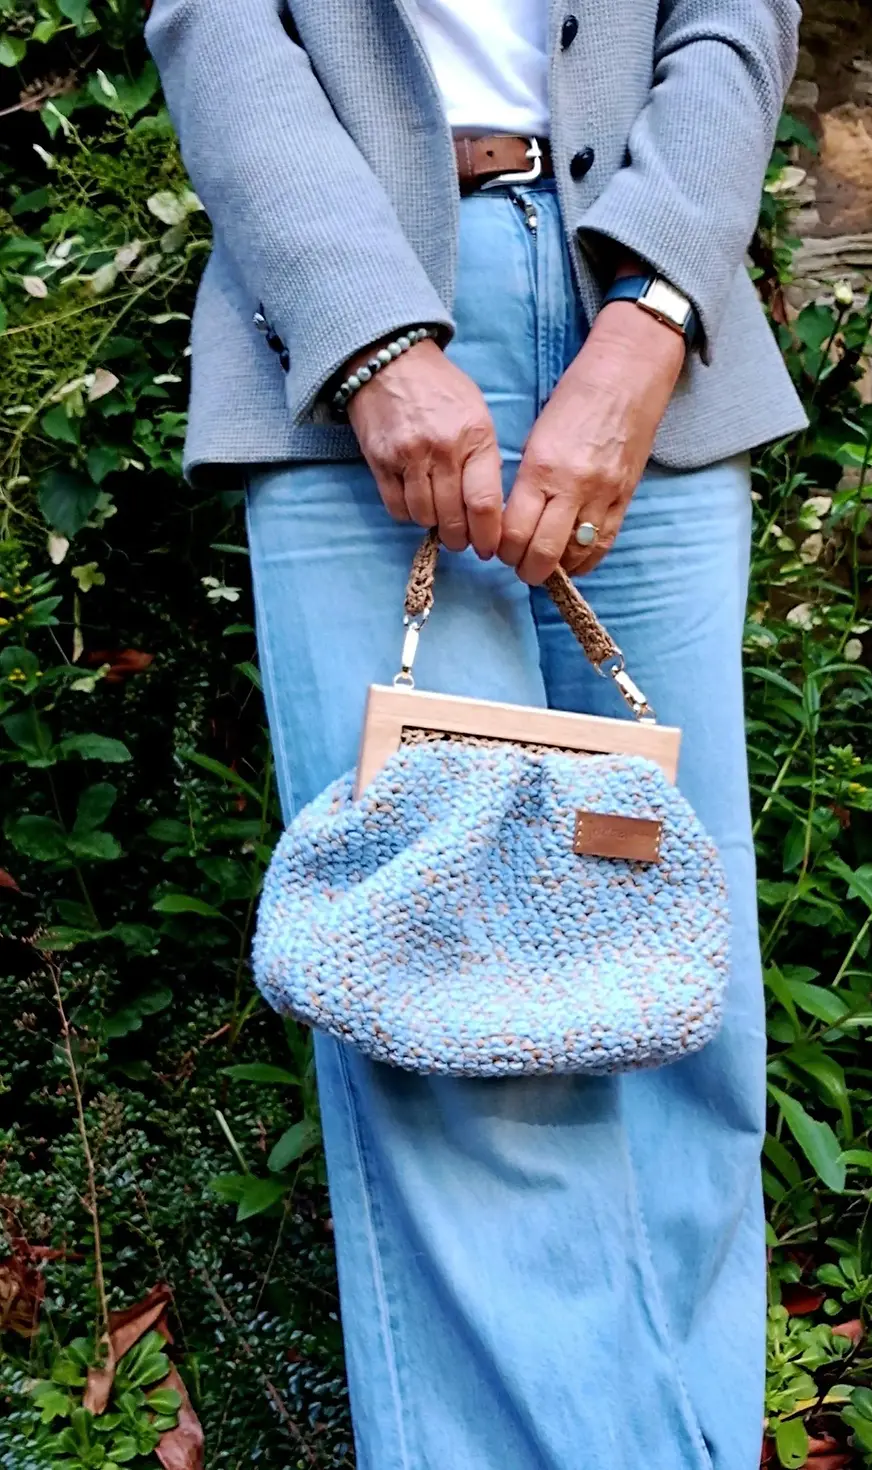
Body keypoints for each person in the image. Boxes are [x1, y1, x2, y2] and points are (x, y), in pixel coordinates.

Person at [146, 1, 806, 1465]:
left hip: (647, 310)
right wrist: (368, 336)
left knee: (683, 1005)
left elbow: (735, 20)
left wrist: (655, 315)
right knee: (444, 996)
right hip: (344, 324)